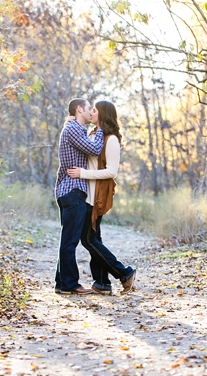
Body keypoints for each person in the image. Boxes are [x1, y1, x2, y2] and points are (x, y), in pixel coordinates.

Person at [65, 100, 137, 295]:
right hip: (86, 193)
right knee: (94, 237)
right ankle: (102, 282)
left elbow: (111, 171)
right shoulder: (93, 134)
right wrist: (71, 121)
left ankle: (124, 273)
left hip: (96, 195)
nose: (91, 113)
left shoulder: (111, 139)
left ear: (103, 114)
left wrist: (82, 174)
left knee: (88, 239)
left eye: (94, 110)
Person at [54, 99, 103, 295]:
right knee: (70, 241)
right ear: (79, 109)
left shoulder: (75, 129)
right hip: (73, 190)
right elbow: (95, 149)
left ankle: (61, 283)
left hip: (70, 191)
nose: (91, 112)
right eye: (89, 108)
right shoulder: (74, 128)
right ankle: (70, 284)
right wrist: (101, 128)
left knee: (68, 239)